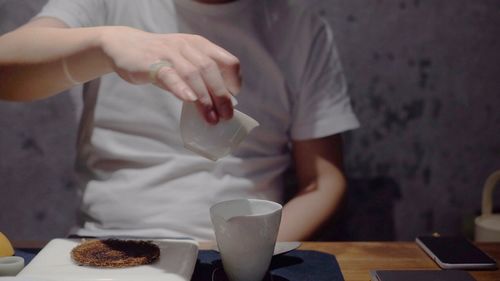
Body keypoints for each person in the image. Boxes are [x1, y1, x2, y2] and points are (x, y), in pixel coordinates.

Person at [0, 0, 359, 241]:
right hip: (110, 241)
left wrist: (246, 252)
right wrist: (106, 44)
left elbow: (323, 181)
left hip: (243, 251)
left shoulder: (300, 26)